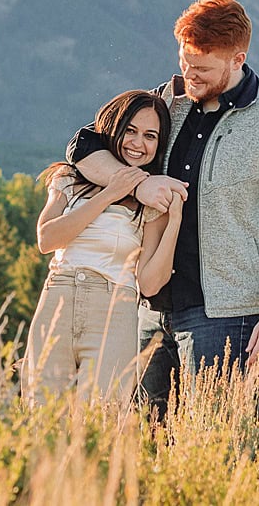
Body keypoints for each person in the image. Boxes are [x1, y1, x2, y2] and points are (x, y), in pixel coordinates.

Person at [66, 0, 259, 407]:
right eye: (185, 62)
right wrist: (135, 184)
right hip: (150, 307)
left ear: (238, 59)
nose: (189, 76)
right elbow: (84, 144)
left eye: (202, 68)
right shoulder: (166, 99)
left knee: (214, 439)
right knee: (144, 439)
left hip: (227, 314)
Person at [21, 89, 186, 405]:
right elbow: (48, 239)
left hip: (115, 308)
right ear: (113, 128)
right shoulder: (70, 178)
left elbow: (150, 283)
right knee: (41, 413)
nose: (138, 143)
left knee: (100, 418)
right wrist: (111, 192)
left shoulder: (151, 204)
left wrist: (174, 220)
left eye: (150, 136)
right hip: (59, 297)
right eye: (131, 131)